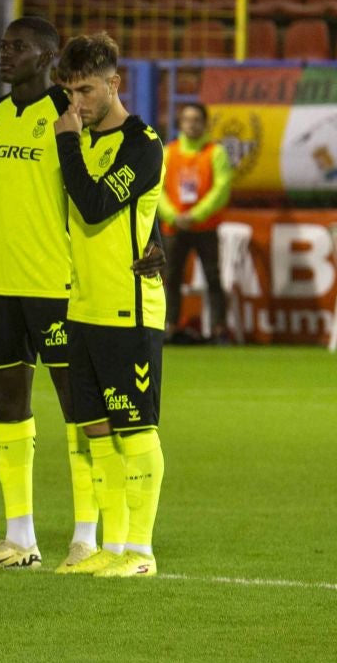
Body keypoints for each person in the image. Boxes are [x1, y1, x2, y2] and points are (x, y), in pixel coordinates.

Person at [0, 16, 89, 570]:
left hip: (56, 282)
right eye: (2, 46)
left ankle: (86, 536)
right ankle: (20, 538)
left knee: (77, 406)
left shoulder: (69, 114)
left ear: (46, 57)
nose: (4, 55)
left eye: (17, 47)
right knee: (6, 403)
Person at [51, 33, 168, 578]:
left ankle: (140, 552)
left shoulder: (140, 143)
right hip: (83, 305)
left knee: (136, 431)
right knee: (95, 432)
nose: (77, 104)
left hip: (129, 308)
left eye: (87, 91)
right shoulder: (85, 139)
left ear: (114, 83)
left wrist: (67, 144)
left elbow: (96, 205)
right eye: (70, 93)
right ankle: (113, 546)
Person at [160, 101, 235, 345]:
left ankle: (219, 330)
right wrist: (173, 216)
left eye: (197, 120)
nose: (192, 125)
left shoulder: (216, 153)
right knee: (171, 278)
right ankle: (169, 327)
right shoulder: (168, 152)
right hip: (174, 228)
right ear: (180, 124)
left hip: (206, 227)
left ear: (205, 124)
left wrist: (195, 215)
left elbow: (221, 189)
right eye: (187, 120)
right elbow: (156, 190)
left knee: (213, 278)